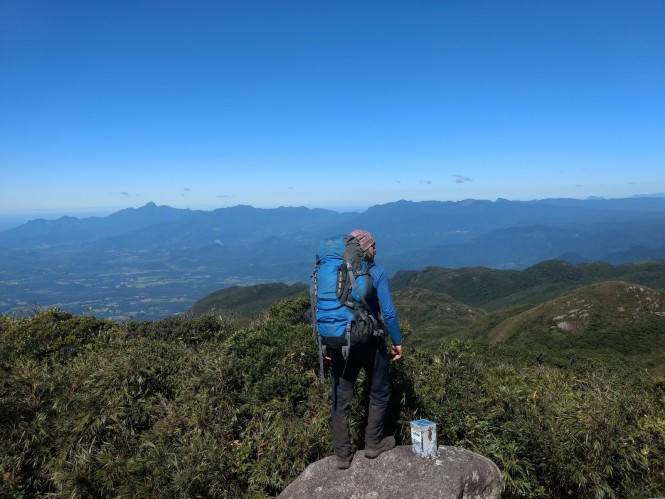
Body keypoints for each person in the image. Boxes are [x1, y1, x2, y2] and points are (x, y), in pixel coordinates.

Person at [330, 229, 404, 469]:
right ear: (364, 249)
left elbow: (324, 310)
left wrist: (327, 343)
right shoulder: (376, 272)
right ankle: (373, 443)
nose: (376, 249)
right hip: (370, 342)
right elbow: (389, 312)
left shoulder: (334, 274)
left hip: (340, 343)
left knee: (341, 397)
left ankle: (342, 455)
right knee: (379, 390)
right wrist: (397, 341)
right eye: (373, 245)